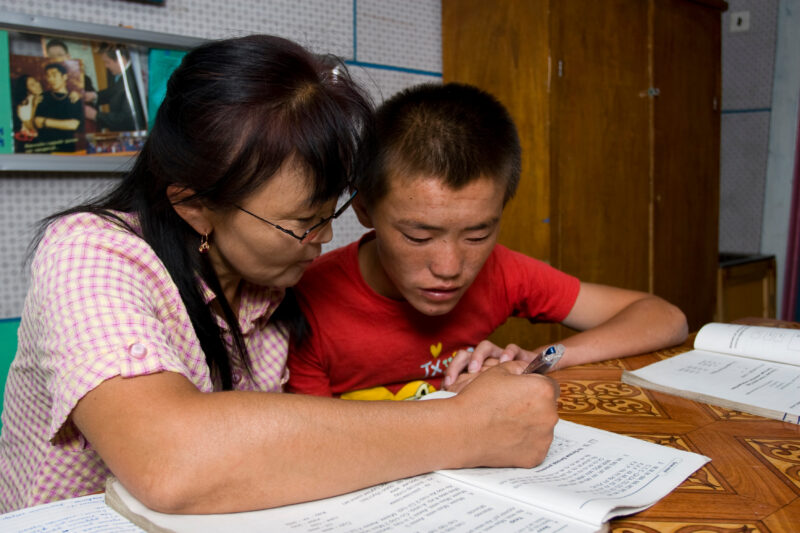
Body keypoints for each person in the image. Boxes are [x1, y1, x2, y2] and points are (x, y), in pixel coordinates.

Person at [0, 36, 559, 514]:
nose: (319, 245)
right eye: (300, 225)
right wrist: (464, 426)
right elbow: (169, 461)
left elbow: (303, 432)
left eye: (326, 217)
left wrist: (455, 394)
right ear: (194, 204)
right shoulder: (89, 253)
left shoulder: (269, 283)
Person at [286, 82, 688, 401]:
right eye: (418, 236)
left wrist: (543, 360)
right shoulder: (308, 299)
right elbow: (312, 443)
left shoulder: (502, 272)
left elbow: (665, 318)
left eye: (478, 234)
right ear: (364, 210)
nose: (449, 267)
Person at [83, 43, 146, 132]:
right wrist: (94, 96)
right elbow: (113, 92)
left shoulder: (131, 80)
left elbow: (127, 120)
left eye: (107, 62)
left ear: (121, 59)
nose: (106, 66)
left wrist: (96, 115)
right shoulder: (119, 75)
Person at [30, 62, 83, 153]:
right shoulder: (42, 97)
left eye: (54, 75)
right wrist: (63, 124)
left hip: (67, 148)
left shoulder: (74, 98)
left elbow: (74, 125)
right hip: (45, 148)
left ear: (64, 77)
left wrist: (45, 121)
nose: (50, 79)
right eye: (48, 76)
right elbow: (37, 122)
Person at [11, 74, 43, 144]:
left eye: (36, 81)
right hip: (32, 141)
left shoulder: (43, 96)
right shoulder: (23, 105)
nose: (37, 84)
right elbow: (32, 128)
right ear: (27, 90)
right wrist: (34, 106)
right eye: (32, 85)